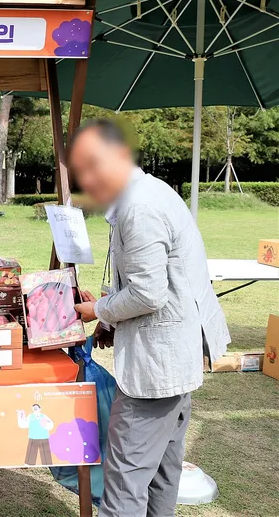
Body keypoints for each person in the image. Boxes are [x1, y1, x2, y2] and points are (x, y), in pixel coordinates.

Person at [69, 119, 230, 517]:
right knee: (160, 475)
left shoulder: (139, 207)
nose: (86, 182)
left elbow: (147, 293)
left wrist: (98, 310)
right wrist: (110, 318)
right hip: (172, 360)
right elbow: (153, 281)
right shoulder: (149, 193)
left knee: (125, 483)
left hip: (156, 370)